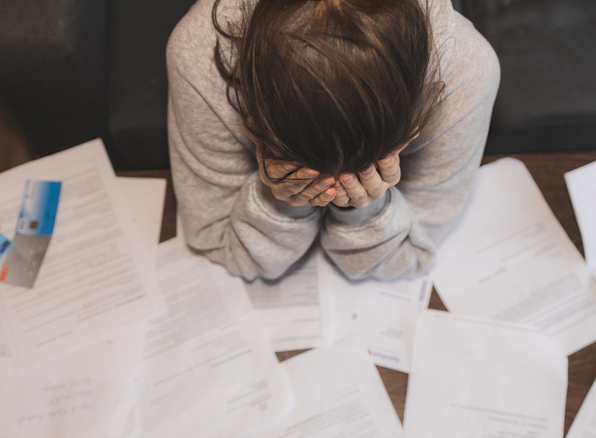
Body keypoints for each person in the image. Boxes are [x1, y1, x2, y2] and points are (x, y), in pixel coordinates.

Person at [167, 0, 499, 281]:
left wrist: (365, 209)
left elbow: (410, 256)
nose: (335, 185)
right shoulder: (197, 54)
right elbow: (216, 239)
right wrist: (278, 200)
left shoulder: (466, 72)